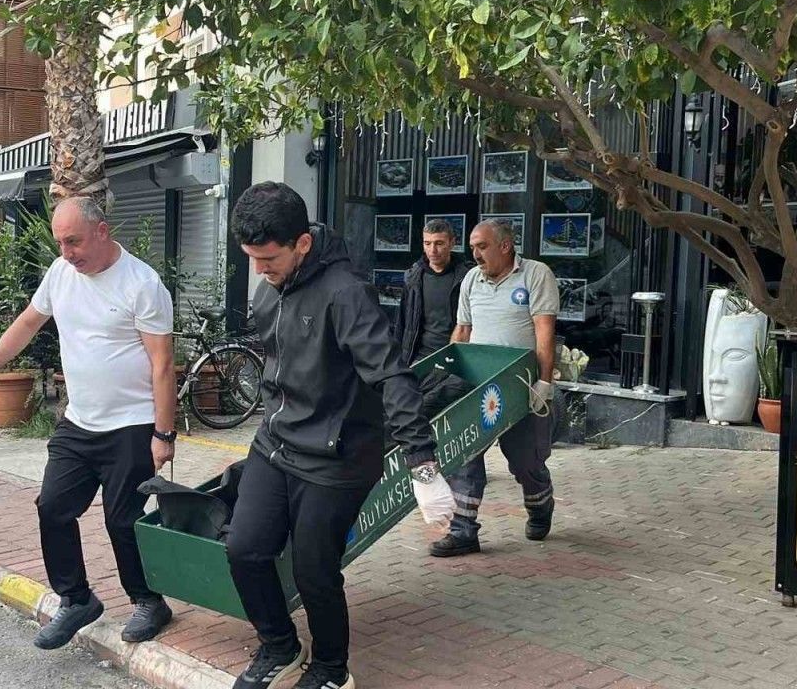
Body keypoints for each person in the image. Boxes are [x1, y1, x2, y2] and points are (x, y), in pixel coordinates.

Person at [224, 182, 439, 689]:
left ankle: (330, 669)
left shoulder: (347, 293)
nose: (260, 270)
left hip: (337, 455)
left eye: (269, 259)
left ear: (302, 243)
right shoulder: (269, 288)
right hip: (276, 444)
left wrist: (423, 463)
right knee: (244, 549)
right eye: (252, 259)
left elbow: (391, 374)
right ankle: (280, 646)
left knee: (313, 569)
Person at [0, 196, 176, 649]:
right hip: (79, 423)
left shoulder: (142, 283)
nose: (66, 252)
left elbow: (162, 363)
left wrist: (163, 433)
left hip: (132, 424)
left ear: (102, 231)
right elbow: (27, 323)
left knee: (123, 520)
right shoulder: (61, 273)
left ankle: (149, 601)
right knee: (53, 507)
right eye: (60, 242)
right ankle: (77, 599)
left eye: (74, 241)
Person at [430, 218, 559, 558]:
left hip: (519, 385)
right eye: (473, 247)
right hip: (477, 386)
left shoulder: (535, 275)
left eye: (482, 246)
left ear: (505, 246)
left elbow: (544, 332)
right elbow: (462, 331)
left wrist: (544, 382)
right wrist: (446, 374)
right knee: (464, 452)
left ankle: (540, 504)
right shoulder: (472, 279)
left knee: (525, 461)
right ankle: (462, 530)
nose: (475, 254)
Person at [397, 218, 474, 365]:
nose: (432, 250)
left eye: (439, 243)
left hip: (456, 357)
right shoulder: (413, 277)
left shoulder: (468, 276)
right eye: (427, 243)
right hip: (419, 357)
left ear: (452, 243)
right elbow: (402, 323)